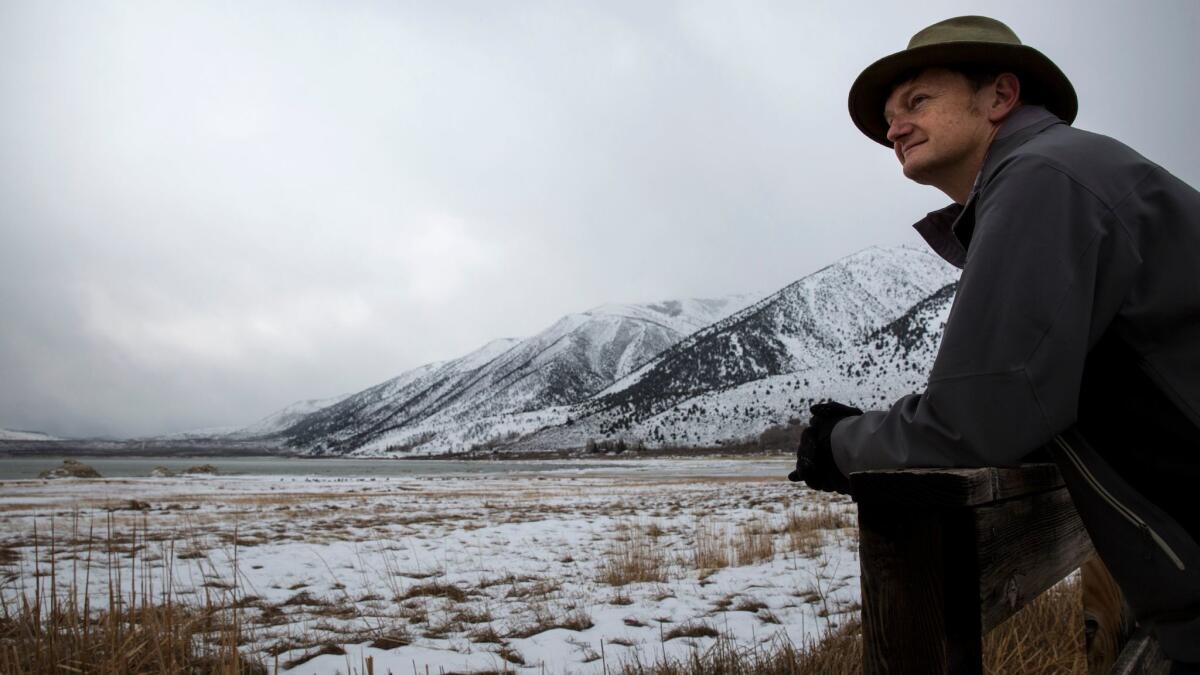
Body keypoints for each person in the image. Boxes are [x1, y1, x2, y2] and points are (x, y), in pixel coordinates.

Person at [787, 15, 1200, 668]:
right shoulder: (1063, 172)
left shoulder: (1042, 179)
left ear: (1000, 97)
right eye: (891, 116)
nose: (894, 127)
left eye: (917, 101)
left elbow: (977, 418)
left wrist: (838, 445)